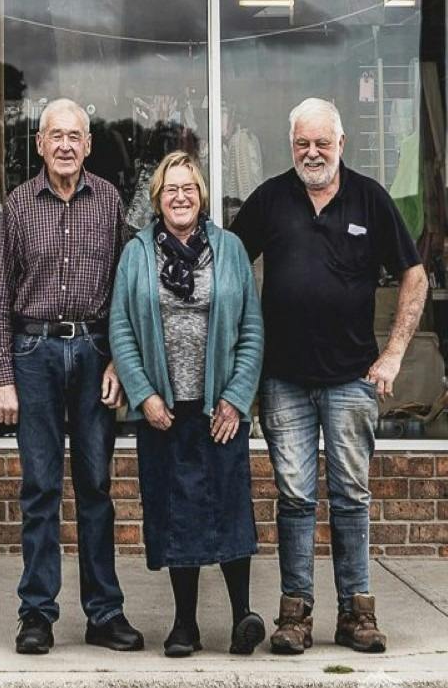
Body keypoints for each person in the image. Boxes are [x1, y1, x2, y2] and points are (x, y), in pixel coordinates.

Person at [232, 98, 427, 655]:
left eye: (322, 142)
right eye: (302, 143)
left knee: (350, 497)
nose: (312, 152)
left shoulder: (370, 197)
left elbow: (414, 276)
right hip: (284, 381)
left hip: (350, 379)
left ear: (342, 144)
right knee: (294, 497)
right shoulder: (270, 199)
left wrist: (392, 355)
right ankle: (294, 616)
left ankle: (357, 614)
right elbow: (226, 265)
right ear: (291, 145)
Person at [0, 98, 143, 655]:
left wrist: (120, 362)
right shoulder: (17, 205)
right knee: (40, 489)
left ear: (89, 144)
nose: (66, 145)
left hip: (95, 353)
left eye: (75, 135)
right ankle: (37, 614)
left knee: (97, 487)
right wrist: (3, 376)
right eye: (56, 135)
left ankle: (104, 613)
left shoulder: (109, 202)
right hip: (35, 355)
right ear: (39, 143)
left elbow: (126, 294)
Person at [109, 151, 265, 657]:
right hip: (164, 410)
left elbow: (251, 330)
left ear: (201, 197)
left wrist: (236, 399)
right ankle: (185, 626)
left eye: (189, 189)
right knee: (176, 513)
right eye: (171, 189)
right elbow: (121, 328)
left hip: (218, 407)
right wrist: (145, 394)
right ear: (157, 199)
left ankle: (243, 615)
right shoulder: (136, 253)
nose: (180, 197)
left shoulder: (231, 249)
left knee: (229, 505)